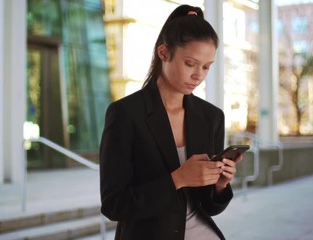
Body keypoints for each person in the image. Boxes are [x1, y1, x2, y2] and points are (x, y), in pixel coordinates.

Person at [99, 4, 242, 240]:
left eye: (206, 67)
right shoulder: (125, 114)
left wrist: (220, 185)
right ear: (163, 53)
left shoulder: (211, 117)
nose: (199, 75)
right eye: (190, 63)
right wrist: (178, 179)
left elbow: (208, 208)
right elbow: (114, 205)